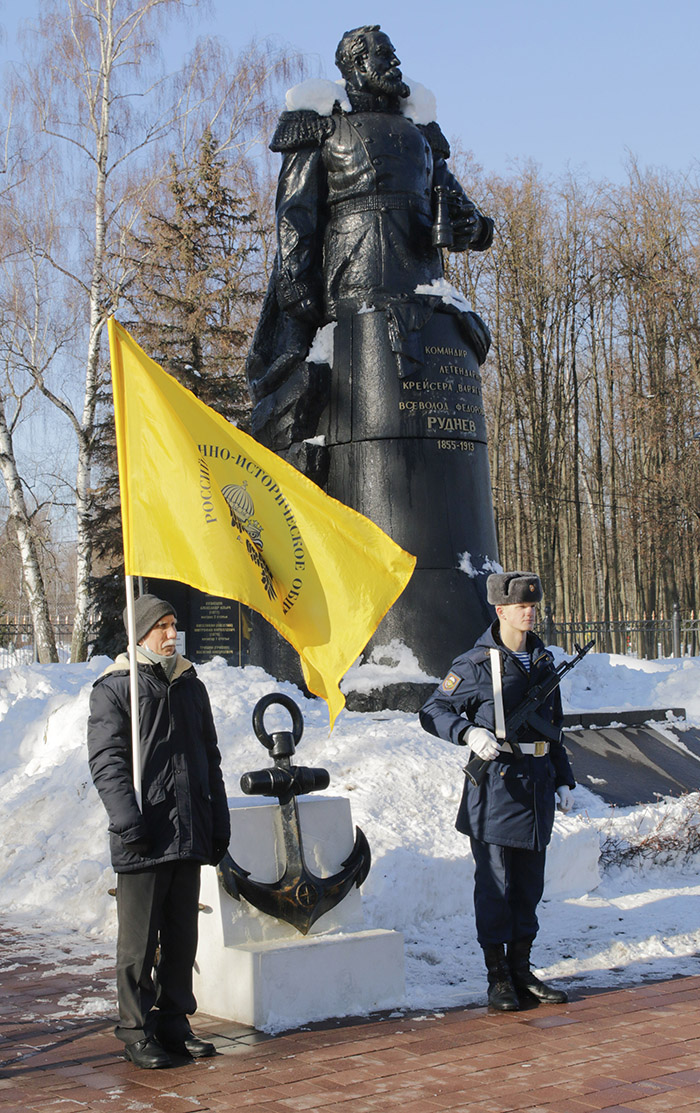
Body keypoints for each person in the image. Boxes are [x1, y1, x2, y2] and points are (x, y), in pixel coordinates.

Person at [419, 572, 575, 1011]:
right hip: (495, 791)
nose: (529, 612)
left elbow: (554, 727)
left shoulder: (544, 660)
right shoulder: (474, 664)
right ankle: (497, 976)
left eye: (532, 606)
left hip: (537, 788)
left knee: (528, 888)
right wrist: (467, 732)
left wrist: (563, 776)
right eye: (520, 606)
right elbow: (432, 710)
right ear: (500, 610)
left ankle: (522, 969)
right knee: (496, 888)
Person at [87, 594, 231, 1068]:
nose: (172, 634)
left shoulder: (192, 685)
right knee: (138, 942)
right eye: (162, 627)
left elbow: (209, 758)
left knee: (181, 936)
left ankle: (174, 1022)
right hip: (144, 834)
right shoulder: (114, 688)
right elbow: (107, 762)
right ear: (140, 633)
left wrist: (218, 819)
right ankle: (135, 1029)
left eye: (174, 625)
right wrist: (128, 822)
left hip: (187, 831)